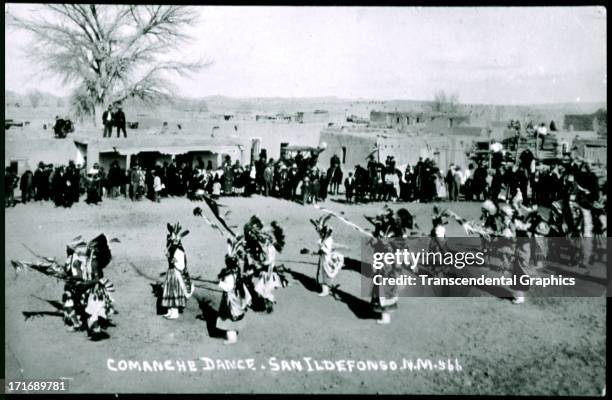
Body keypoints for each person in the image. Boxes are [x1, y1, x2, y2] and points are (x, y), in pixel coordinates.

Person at [161, 223, 194, 319]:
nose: (171, 240)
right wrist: (168, 256)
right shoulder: (172, 248)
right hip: (171, 273)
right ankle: (170, 310)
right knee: (169, 291)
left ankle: (174, 312)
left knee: (173, 291)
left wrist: (172, 259)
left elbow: (180, 264)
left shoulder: (179, 250)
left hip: (176, 274)